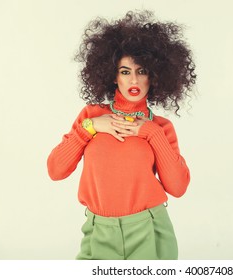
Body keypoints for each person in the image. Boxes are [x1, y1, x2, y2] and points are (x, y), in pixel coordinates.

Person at [47, 10, 196, 260]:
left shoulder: (161, 127)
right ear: (113, 76)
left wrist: (151, 133)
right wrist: (90, 128)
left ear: (155, 75)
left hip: (149, 230)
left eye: (142, 71)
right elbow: (55, 170)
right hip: (98, 232)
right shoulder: (91, 116)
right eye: (125, 71)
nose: (134, 79)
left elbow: (178, 188)